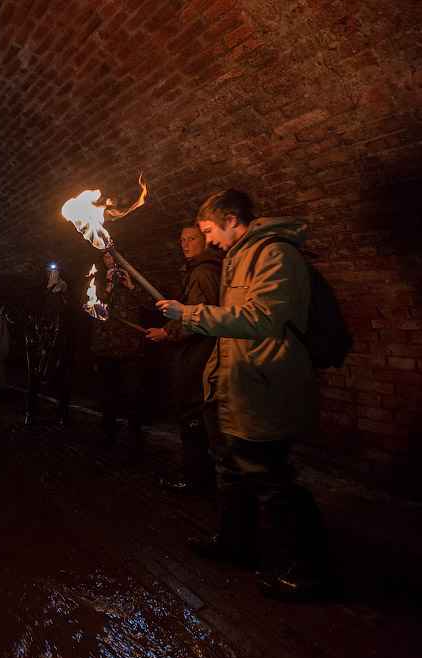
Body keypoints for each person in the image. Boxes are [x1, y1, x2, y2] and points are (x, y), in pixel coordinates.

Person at [157, 189, 336, 602]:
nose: (208, 240)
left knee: (270, 477)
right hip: (236, 381)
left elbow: (261, 319)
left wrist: (190, 313)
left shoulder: (274, 254)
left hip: (266, 380)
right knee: (232, 467)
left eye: (208, 230)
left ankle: (314, 571)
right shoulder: (239, 256)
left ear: (232, 219)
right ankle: (235, 542)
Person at [146, 224, 224, 492]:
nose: (185, 243)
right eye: (182, 239)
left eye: (192, 238)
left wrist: (166, 332)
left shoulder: (203, 271)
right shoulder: (198, 269)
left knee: (193, 412)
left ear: (205, 240)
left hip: (199, 353)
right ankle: (202, 476)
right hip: (198, 353)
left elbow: (199, 317)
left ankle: (197, 478)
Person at [92, 251, 152, 448]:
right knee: (108, 395)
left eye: (113, 257)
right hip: (106, 348)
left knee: (134, 397)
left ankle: (134, 438)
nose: (111, 261)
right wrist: (108, 287)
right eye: (107, 258)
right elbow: (92, 307)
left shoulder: (135, 277)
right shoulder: (97, 281)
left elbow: (152, 304)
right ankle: (108, 434)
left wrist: (132, 286)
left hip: (130, 349)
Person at [25, 264, 75, 426]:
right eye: (49, 270)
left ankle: (63, 414)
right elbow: (32, 308)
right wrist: (48, 289)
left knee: (64, 379)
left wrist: (63, 291)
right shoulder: (39, 290)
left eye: (56, 270)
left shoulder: (67, 290)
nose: (52, 273)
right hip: (42, 341)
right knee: (36, 377)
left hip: (63, 341)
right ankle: (30, 413)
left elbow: (73, 312)